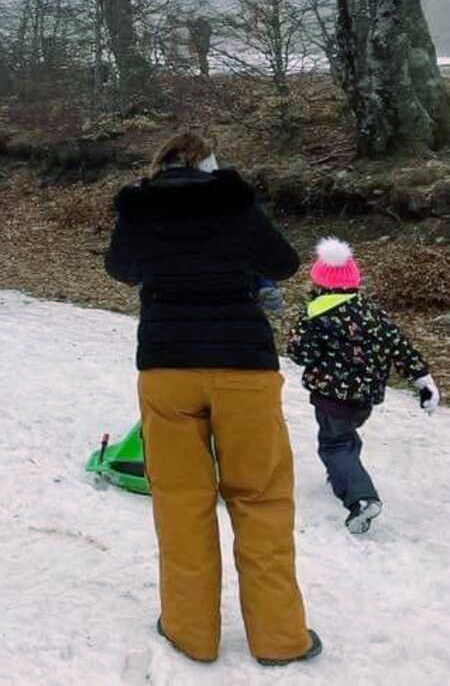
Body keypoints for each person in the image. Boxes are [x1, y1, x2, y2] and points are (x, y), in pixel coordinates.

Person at [105, 131, 318, 667]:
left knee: (181, 502)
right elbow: (285, 262)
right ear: (212, 164)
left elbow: (121, 269)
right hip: (244, 368)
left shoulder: (140, 207)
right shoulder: (234, 203)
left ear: (160, 165)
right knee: (261, 499)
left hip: (166, 367)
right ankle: (280, 638)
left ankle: (190, 633)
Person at [284, 237, 439, 536]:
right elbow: (399, 344)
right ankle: (343, 475)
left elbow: (301, 353)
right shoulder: (371, 311)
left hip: (332, 396)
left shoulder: (315, 313)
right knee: (345, 439)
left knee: (335, 444)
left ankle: (361, 499)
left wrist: (303, 343)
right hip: (366, 398)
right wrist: (422, 380)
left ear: (319, 282)